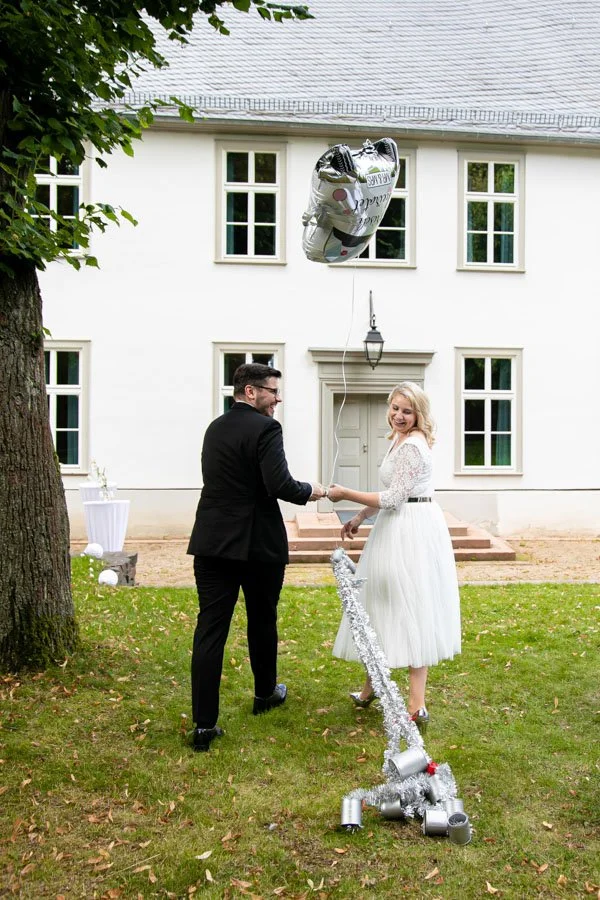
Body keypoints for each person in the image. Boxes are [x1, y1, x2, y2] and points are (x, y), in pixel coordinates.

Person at [187, 363, 324, 751]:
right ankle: (265, 694)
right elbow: (279, 484)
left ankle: (203, 726)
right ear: (250, 391)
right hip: (257, 544)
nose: (277, 399)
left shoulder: (214, 428)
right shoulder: (267, 429)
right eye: (272, 391)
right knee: (262, 619)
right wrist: (311, 490)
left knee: (210, 629)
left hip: (212, 542)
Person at [327, 381, 460, 732]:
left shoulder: (413, 446)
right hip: (395, 525)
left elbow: (395, 497)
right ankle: (372, 685)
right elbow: (390, 493)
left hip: (412, 530)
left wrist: (345, 493)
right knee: (380, 602)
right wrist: (360, 516)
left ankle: (417, 704)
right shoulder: (398, 440)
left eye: (407, 411)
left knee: (412, 605)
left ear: (419, 414)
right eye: (395, 408)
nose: (399, 416)